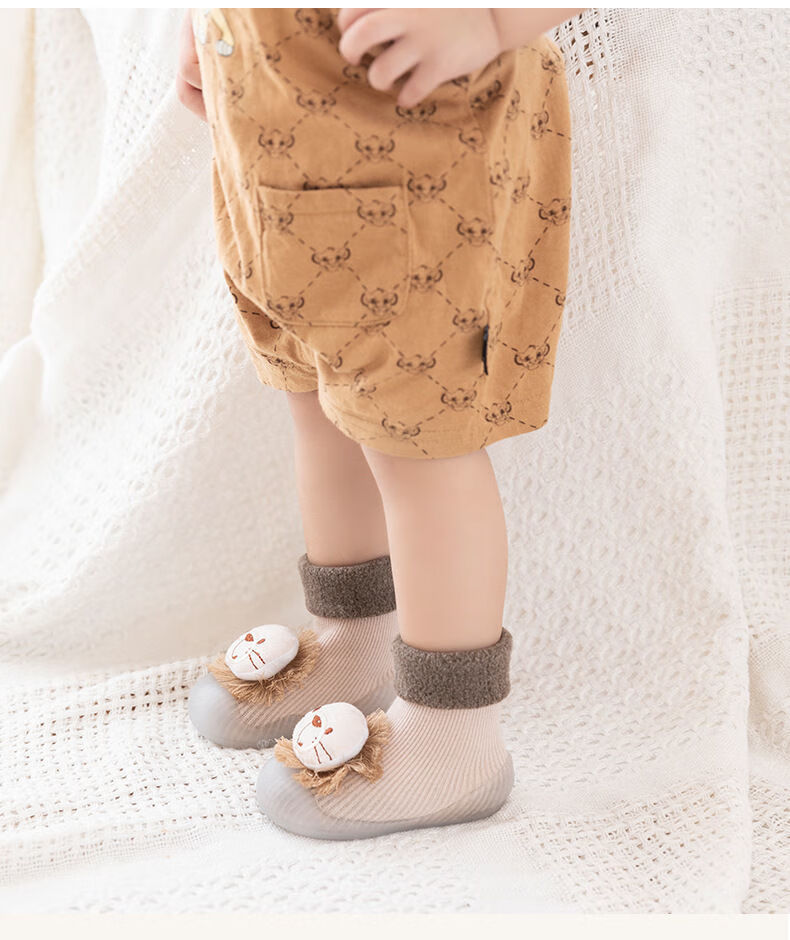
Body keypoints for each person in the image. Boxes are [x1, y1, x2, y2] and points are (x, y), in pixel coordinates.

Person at [177, 7, 576, 840]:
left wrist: (492, 16)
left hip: (419, 143)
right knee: (317, 392)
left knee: (421, 442)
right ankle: (355, 635)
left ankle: (455, 735)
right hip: (276, 130)